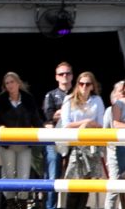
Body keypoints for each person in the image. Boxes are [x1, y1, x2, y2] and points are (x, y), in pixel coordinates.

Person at [0, 72, 43, 209]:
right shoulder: (0, 100)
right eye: (7, 83)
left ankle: (23, 202)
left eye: (12, 82)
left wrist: (44, 131)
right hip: (7, 145)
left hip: (24, 144)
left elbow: (36, 119)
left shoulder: (28, 99)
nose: (9, 85)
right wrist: (0, 127)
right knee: (8, 174)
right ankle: (10, 202)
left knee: (24, 175)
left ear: (18, 83)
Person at [60, 71, 105, 209]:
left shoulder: (97, 100)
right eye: (81, 83)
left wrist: (90, 124)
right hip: (73, 146)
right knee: (74, 184)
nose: (84, 86)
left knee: (86, 185)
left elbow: (101, 124)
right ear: (77, 85)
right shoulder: (69, 99)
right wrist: (85, 122)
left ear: (92, 86)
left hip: (91, 146)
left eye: (87, 84)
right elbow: (66, 124)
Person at [42, 61, 73, 209]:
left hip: (75, 139)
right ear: (56, 77)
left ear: (72, 76)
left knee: (75, 177)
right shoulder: (51, 95)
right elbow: (49, 116)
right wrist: (68, 113)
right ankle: (50, 207)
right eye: (61, 74)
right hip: (55, 139)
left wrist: (62, 113)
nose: (64, 76)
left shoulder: (78, 94)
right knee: (53, 176)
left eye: (67, 73)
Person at [104, 80, 125, 209]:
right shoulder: (112, 108)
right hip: (115, 152)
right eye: (121, 91)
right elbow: (107, 131)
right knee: (114, 187)